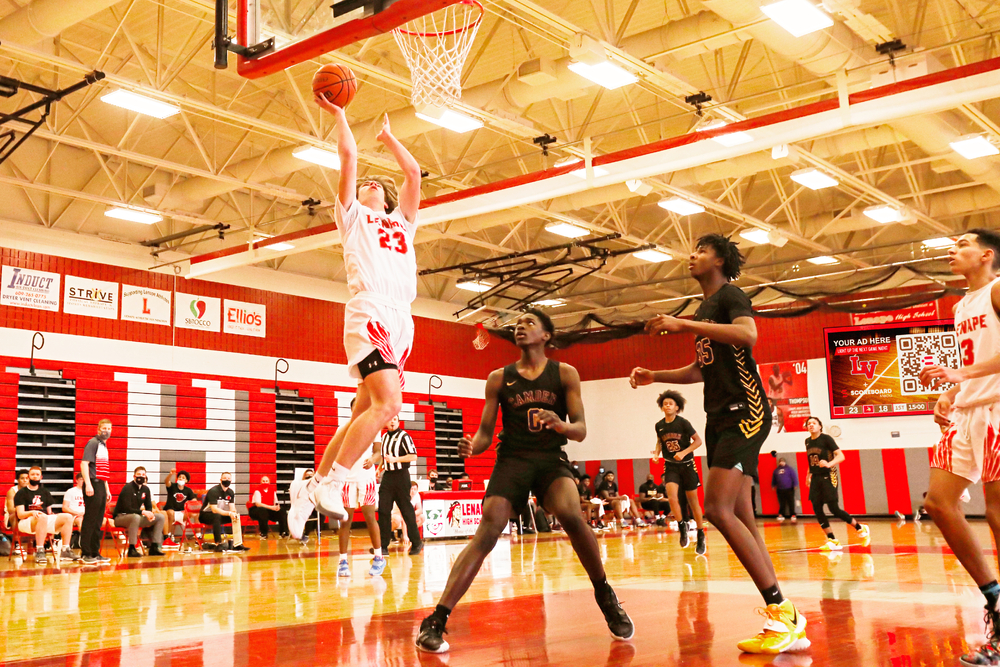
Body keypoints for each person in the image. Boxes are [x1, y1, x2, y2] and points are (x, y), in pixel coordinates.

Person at [415, 310, 633, 653]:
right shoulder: (499, 378)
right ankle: (437, 619)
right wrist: (472, 447)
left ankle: (605, 594)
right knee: (489, 527)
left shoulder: (565, 373)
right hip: (513, 459)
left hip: (549, 459)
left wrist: (560, 424)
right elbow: (486, 434)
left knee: (572, 514)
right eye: (518, 322)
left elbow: (580, 429)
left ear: (546, 335)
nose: (521, 325)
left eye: (530, 322)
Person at [630, 234, 807, 655]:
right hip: (718, 418)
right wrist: (657, 375)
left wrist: (683, 324)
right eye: (691, 249)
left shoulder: (731, 295)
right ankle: (786, 619)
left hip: (746, 411)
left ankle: (784, 612)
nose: (691, 255)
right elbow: (700, 369)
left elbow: (747, 336)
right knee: (743, 517)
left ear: (721, 259)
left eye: (701, 250)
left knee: (715, 509)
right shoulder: (705, 309)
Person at [287, 96, 422, 538]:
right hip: (371, 309)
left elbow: (414, 174)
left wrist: (390, 138)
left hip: (403, 320)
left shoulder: (402, 222)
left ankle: (310, 487)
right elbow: (348, 157)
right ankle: (337, 483)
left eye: (375, 185)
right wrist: (342, 114)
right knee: (389, 405)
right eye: (364, 184)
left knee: (362, 410)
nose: (369, 185)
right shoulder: (352, 217)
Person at [918, 229, 1000, 666]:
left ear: (986, 255)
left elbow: (975, 365)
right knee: (938, 503)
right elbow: (975, 358)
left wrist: (961, 374)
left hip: (999, 410)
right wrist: (950, 392)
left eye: (963, 245)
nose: (953, 251)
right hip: (967, 412)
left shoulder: (998, 289)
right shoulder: (959, 305)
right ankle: (995, 598)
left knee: (997, 514)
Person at [653, 389, 707, 554]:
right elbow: (659, 443)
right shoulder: (659, 425)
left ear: (677, 407)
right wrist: (656, 453)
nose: (667, 406)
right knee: (671, 496)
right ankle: (682, 525)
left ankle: (700, 533)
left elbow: (698, 441)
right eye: (665, 404)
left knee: (693, 500)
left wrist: (684, 452)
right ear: (662, 407)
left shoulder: (683, 423)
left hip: (687, 464)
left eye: (670, 403)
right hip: (670, 466)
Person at [803, 417, 869, 550]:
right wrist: (808, 475)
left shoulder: (826, 439)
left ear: (820, 426)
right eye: (809, 423)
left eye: (814, 423)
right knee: (817, 508)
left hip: (828, 475)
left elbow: (841, 456)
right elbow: (811, 460)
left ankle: (860, 528)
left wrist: (829, 464)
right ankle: (832, 540)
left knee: (834, 508)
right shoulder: (808, 441)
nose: (811, 425)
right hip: (816, 477)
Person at [337, 422, 385, 576]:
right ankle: (343, 561)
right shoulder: (343, 429)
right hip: (347, 479)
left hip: (367, 479)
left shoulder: (373, 427)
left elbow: (378, 452)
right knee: (345, 519)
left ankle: (379, 556)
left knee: (370, 517)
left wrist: (372, 460)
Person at [373, 414, 422, 556]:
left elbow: (414, 455)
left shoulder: (404, 436)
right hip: (388, 477)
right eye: (390, 419)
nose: (392, 422)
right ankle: (383, 546)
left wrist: (396, 459)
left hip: (402, 476)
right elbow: (384, 457)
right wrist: (379, 468)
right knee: (383, 510)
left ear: (398, 422)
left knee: (407, 511)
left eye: (395, 419)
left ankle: (417, 542)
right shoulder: (384, 437)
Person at [14, 467, 78, 563]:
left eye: (37, 475)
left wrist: (54, 517)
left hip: (43, 520)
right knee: (42, 516)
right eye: (32, 474)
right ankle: (40, 550)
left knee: (68, 517)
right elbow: (20, 515)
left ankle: (65, 550)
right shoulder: (21, 493)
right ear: (28, 477)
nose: (35, 477)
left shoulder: (44, 492)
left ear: (41, 477)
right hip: (26, 522)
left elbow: (49, 512)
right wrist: (32, 512)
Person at [112, 467, 166, 557]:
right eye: (139, 475)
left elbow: (148, 506)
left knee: (160, 517)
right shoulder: (127, 488)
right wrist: (143, 512)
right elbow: (127, 508)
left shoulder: (145, 489)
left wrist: (150, 514)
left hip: (136, 517)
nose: (141, 476)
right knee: (135, 517)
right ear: (134, 476)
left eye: (143, 475)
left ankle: (154, 547)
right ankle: (132, 548)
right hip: (121, 517)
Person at [80, 419, 113, 564]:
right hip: (92, 483)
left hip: (101, 485)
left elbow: (102, 471)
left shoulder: (104, 446)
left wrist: (107, 489)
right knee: (90, 519)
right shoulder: (93, 443)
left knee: (98, 520)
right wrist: (88, 484)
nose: (107, 430)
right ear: (98, 429)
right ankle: (86, 553)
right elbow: (84, 464)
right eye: (104, 428)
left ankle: (95, 551)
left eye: (109, 428)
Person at [199, 473, 249, 553]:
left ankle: (238, 543)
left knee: (236, 517)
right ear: (220, 480)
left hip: (218, 515)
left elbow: (232, 508)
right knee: (217, 516)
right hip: (205, 515)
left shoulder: (230, 492)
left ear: (231, 480)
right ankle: (218, 543)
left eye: (229, 478)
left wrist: (233, 513)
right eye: (225, 478)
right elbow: (214, 510)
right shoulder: (214, 491)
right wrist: (229, 513)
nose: (227, 480)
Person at [162, 469, 196, 546]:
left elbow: (194, 500)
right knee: (171, 513)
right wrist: (170, 474)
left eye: (183, 477)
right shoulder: (172, 486)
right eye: (179, 477)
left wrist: (193, 502)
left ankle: (198, 535)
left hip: (181, 512)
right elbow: (166, 482)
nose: (181, 478)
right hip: (170, 510)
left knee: (195, 514)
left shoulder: (188, 490)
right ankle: (168, 536)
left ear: (186, 481)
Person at [392, 481, 424, 546]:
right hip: (396, 515)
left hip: (407, 515)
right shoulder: (403, 496)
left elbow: (420, 510)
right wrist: (405, 536)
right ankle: (389, 534)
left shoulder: (416, 495)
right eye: (411, 489)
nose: (413, 491)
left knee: (421, 517)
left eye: (415, 489)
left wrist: (411, 513)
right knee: (398, 519)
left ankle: (410, 533)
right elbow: (404, 516)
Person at [62, 473, 86, 548]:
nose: (83, 481)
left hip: (86, 515)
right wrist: (77, 513)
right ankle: (85, 543)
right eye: (81, 479)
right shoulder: (70, 491)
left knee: (105, 521)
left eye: (85, 479)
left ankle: (122, 539)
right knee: (80, 521)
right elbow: (64, 508)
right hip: (74, 516)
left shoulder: (89, 491)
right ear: (77, 480)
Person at [771, 458, 798, 523]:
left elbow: (794, 477)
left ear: (785, 462)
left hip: (789, 489)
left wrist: (795, 484)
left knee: (791, 502)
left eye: (782, 461)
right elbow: (774, 478)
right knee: (781, 502)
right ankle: (781, 514)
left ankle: (793, 515)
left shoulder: (789, 469)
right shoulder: (776, 470)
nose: (781, 463)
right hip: (780, 489)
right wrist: (773, 485)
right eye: (780, 462)